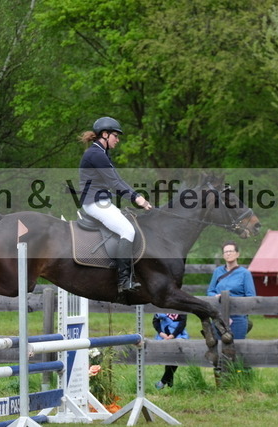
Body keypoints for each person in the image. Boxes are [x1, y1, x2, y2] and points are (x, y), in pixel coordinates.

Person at [78, 116, 153, 295]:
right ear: (105, 134)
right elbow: (115, 183)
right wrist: (137, 199)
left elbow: (117, 181)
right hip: (95, 203)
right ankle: (123, 280)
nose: (117, 140)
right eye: (115, 136)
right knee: (128, 231)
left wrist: (135, 197)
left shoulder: (101, 153)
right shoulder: (96, 154)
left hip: (100, 201)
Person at [207, 241, 256, 339]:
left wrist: (238, 306)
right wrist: (216, 296)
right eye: (226, 252)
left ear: (237, 254)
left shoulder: (245, 273)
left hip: (237, 316)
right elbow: (210, 291)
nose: (228, 254)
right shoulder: (218, 271)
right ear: (223, 255)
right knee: (217, 344)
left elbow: (251, 296)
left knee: (236, 345)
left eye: (231, 251)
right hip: (219, 316)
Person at [153, 313, 189, 389]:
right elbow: (155, 320)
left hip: (178, 336)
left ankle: (162, 382)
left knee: (176, 358)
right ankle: (170, 385)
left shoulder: (181, 309)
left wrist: (173, 335)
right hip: (164, 336)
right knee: (169, 359)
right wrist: (161, 333)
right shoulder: (161, 308)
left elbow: (183, 323)